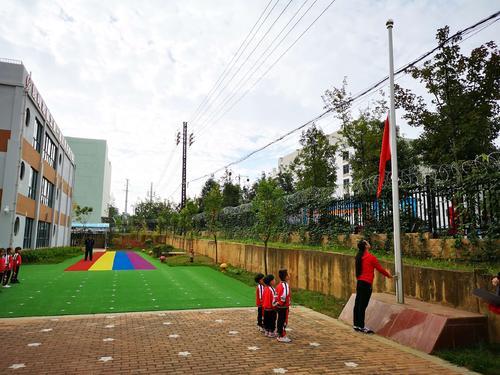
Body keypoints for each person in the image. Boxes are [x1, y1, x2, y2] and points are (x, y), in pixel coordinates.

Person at [353, 240, 392, 334]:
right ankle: (361, 326)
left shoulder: (359, 256)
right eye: (367, 242)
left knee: (358, 303)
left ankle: (356, 324)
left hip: (360, 283)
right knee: (363, 305)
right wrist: (388, 275)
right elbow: (380, 268)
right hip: (366, 284)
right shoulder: (370, 257)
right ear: (366, 246)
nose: (368, 243)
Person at [276, 269, 292, 343]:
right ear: (285, 277)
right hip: (283, 307)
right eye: (288, 274)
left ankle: (280, 334)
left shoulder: (279, 285)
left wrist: (278, 303)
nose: (289, 276)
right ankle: (282, 335)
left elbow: (276, 295)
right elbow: (284, 295)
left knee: (280, 320)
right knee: (283, 321)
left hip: (279, 307)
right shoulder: (285, 285)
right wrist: (282, 303)